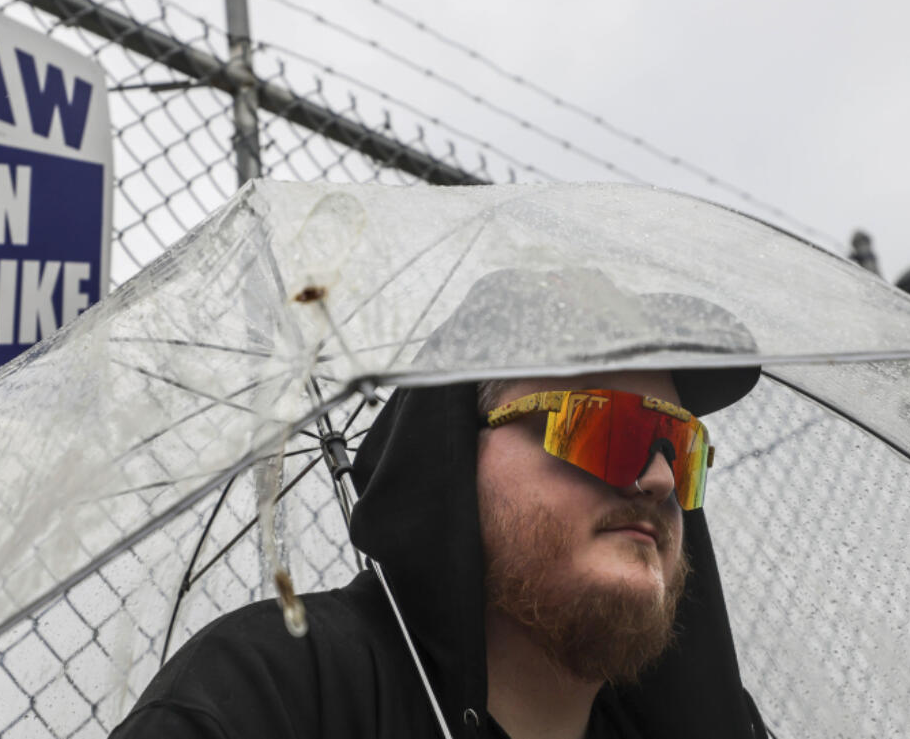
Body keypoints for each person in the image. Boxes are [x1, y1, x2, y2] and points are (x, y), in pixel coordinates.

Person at [111, 269, 769, 739]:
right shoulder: (271, 693)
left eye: (679, 444)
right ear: (459, 453)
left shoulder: (717, 725)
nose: (658, 477)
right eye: (604, 429)